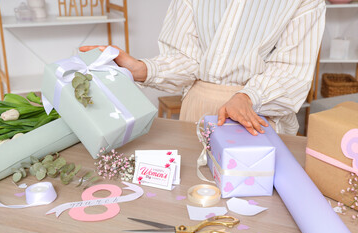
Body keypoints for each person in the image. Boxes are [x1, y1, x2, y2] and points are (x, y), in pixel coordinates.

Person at [80, 0, 326, 136]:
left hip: (255, 117)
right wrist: (138, 69)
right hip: (196, 110)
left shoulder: (305, 2)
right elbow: (186, 58)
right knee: (190, 196)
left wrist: (248, 97)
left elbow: (291, 71)